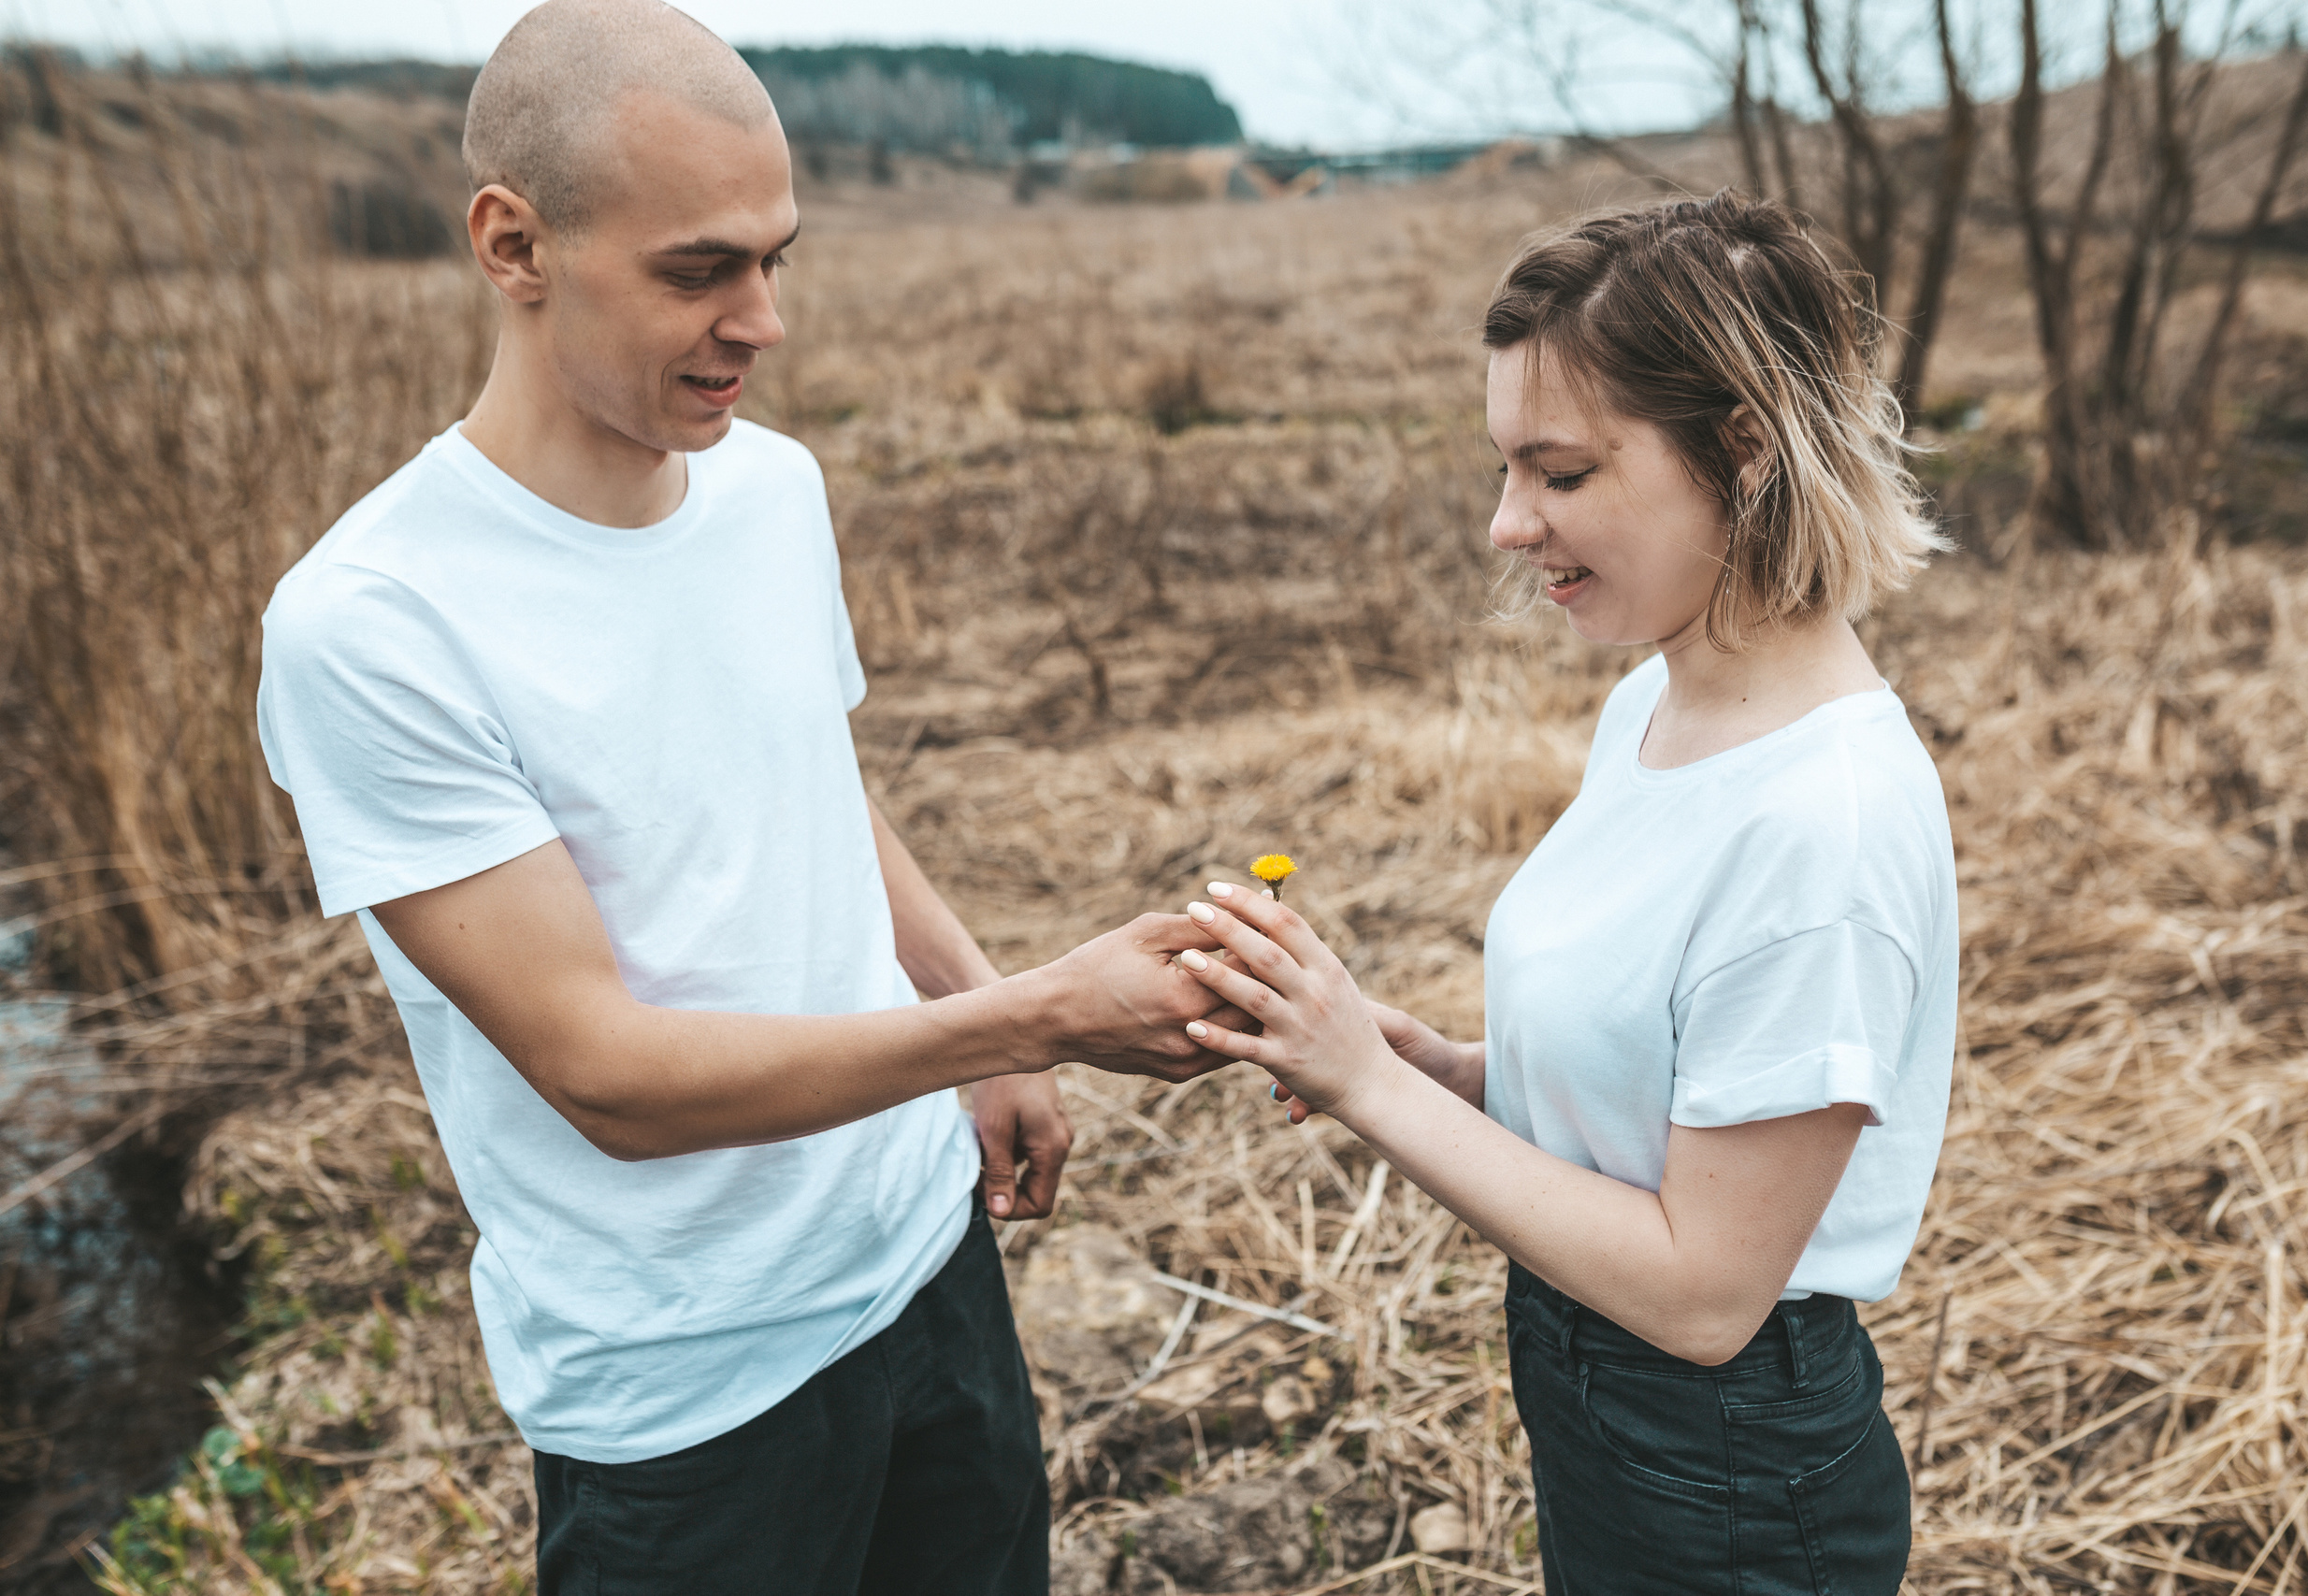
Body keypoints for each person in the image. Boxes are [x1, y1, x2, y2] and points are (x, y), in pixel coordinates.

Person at [254, 4, 1229, 1590]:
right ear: (514, 245)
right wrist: (1035, 1016)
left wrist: (978, 1011)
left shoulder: (773, 489)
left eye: (776, 260)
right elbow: (610, 1079)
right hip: (689, 1395)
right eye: (699, 270)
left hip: (927, 1262)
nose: (762, 322)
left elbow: (810, 786)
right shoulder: (375, 622)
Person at [1167, 195, 1958, 1594]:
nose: (1505, 524)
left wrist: (1369, 1086)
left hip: (1726, 1465)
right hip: (1595, 1392)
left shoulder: (1820, 829)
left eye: (1563, 473)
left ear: (1747, 451)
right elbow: (1674, 1099)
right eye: (1505, 468)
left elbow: (1706, 1295)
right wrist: (1456, 1072)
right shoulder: (1654, 707)